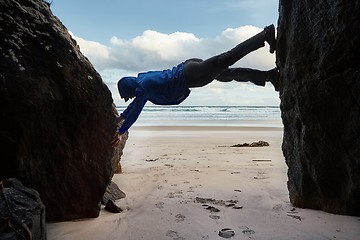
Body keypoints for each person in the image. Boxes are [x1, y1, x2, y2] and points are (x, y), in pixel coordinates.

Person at [112, 24, 279, 147]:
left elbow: (136, 110)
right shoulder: (142, 79)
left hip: (192, 76)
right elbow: (134, 105)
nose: (131, 98)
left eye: (129, 94)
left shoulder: (143, 88)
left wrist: (120, 132)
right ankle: (268, 76)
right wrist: (121, 118)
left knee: (228, 58)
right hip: (189, 66)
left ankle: (265, 35)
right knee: (230, 74)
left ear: (129, 88)